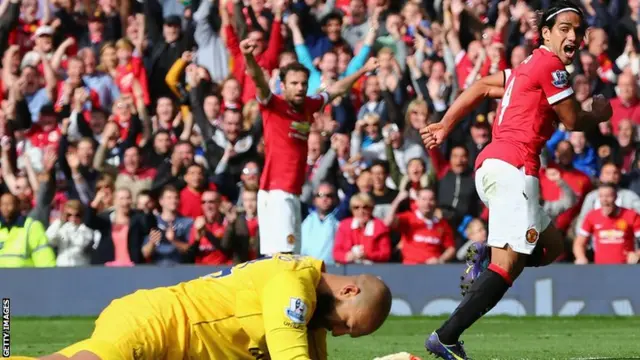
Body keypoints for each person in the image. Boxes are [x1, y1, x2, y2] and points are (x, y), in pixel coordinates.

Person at [420, 2, 613, 358]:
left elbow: (479, 86)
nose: (573, 36)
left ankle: (485, 261)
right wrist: (597, 113)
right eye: (564, 28)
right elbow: (571, 121)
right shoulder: (551, 66)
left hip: (494, 165)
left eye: (578, 30)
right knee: (508, 266)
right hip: (514, 168)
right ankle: (446, 336)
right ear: (545, 34)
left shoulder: (525, 68)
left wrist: (447, 124)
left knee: (550, 245)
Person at [38, 254, 392, 360]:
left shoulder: (312, 317)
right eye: (349, 324)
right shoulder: (292, 287)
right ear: (348, 290)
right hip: (158, 325)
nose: (340, 332)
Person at [239, 37, 379, 256]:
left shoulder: (308, 106)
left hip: (293, 192)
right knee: (282, 257)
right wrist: (248, 57)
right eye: (294, 83)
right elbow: (258, 80)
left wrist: (363, 70)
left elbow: (337, 89)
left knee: (291, 255)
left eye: (304, 83)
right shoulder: (273, 104)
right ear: (282, 86)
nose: (300, 88)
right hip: (276, 193)